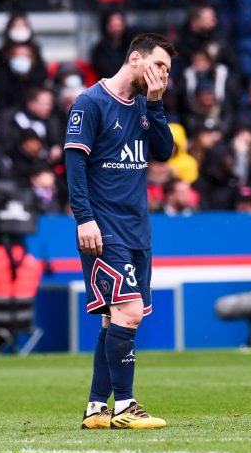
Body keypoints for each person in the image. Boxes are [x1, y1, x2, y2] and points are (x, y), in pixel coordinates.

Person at [64, 32, 174, 430]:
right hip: (104, 228)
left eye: (167, 70)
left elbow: (164, 152)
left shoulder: (146, 106)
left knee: (115, 319)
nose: (163, 74)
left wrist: (158, 105)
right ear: (135, 59)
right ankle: (125, 406)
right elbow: (74, 165)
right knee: (128, 312)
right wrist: (84, 218)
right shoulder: (90, 103)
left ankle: (96, 409)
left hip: (137, 229)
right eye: (159, 65)